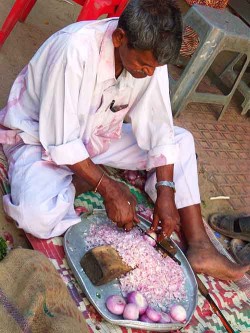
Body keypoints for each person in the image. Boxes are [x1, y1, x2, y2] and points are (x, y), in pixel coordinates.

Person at [0, 0, 249, 281]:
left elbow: (160, 126)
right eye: (144, 66)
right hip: (39, 139)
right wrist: (108, 188)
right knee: (36, 216)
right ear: (120, 38)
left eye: (155, 67)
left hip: (96, 137)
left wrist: (166, 191)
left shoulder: (149, 56)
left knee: (182, 142)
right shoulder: (74, 51)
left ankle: (201, 245)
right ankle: (79, 180)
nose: (150, 73)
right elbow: (61, 140)